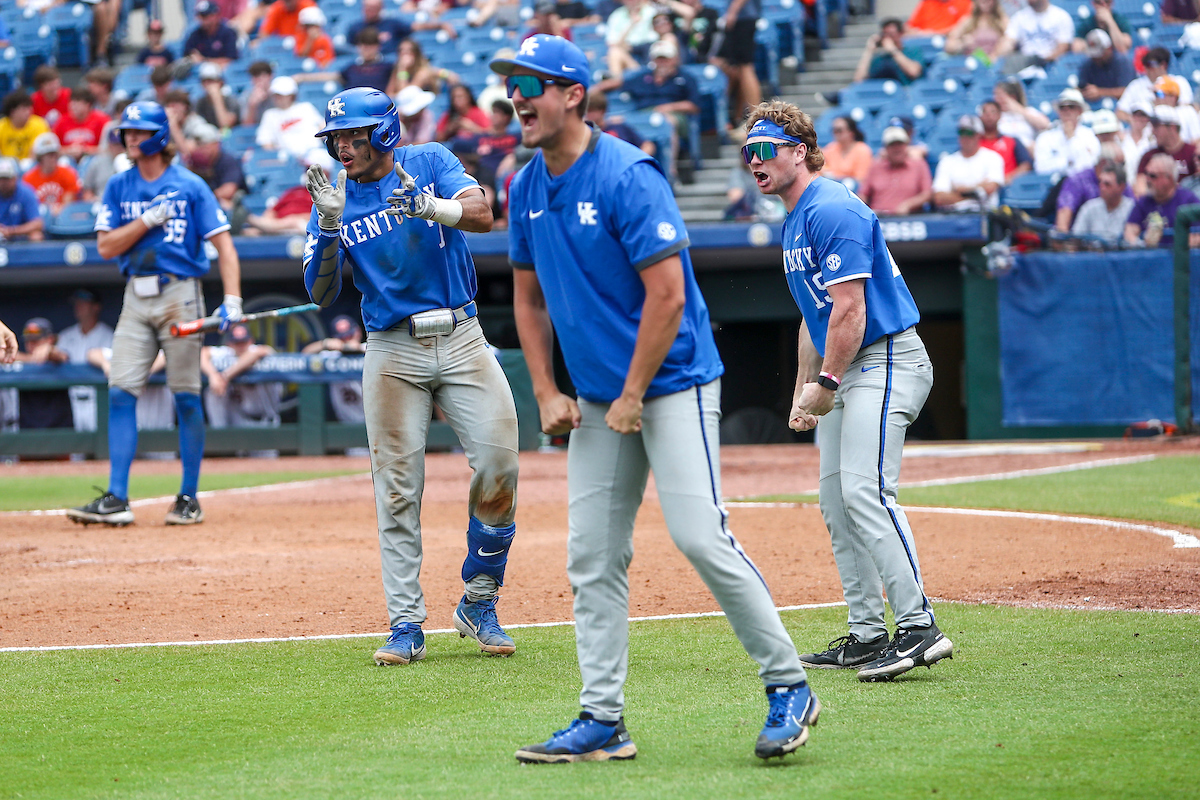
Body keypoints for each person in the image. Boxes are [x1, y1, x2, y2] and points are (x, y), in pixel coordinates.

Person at [495, 34, 817, 763]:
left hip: (670, 381)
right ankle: (601, 718)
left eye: (530, 84)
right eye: (511, 84)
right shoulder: (524, 186)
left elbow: (668, 297)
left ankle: (788, 682)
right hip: (604, 396)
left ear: (573, 95)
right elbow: (527, 296)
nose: (516, 96)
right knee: (592, 557)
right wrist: (544, 390)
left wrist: (634, 392)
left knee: (699, 533)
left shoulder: (627, 175)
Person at [301, 86, 520, 665]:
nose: (343, 147)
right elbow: (321, 293)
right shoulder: (334, 195)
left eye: (354, 135)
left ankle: (479, 598)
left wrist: (431, 206)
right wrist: (326, 228)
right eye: (336, 138)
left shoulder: (431, 161)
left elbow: (482, 214)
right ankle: (405, 623)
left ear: (385, 132)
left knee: (500, 465)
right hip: (392, 349)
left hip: (462, 333)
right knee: (398, 490)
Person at [742, 99, 952, 682]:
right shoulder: (795, 219)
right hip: (846, 366)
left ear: (800, 151)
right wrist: (805, 387)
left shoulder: (832, 205)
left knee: (867, 491)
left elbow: (851, 310)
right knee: (837, 502)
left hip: (884, 359)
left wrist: (825, 383)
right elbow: (817, 315)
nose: (753, 162)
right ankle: (866, 632)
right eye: (747, 153)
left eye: (764, 150)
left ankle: (918, 627)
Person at [66, 101, 243, 528]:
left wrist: (233, 299)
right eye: (127, 131)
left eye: (139, 131)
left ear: (160, 136)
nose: (130, 137)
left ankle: (188, 497)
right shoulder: (118, 185)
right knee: (122, 388)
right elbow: (107, 247)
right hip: (136, 296)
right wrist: (146, 220)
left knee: (185, 393)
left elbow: (225, 247)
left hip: (179, 293)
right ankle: (117, 498)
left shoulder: (190, 185)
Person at [201, 323, 283, 432]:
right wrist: (213, 375)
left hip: (265, 421)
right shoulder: (228, 353)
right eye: (237, 342)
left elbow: (259, 352)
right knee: (211, 392)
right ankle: (219, 434)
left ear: (251, 341)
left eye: (244, 342)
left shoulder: (258, 350)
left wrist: (225, 376)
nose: (241, 346)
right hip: (240, 419)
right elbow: (203, 352)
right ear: (229, 344)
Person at [57, 289, 115, 433]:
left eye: (83, 303)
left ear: (96, 307)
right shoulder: (66, 335)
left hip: (98, 400)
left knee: (101, 449)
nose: (78, 307)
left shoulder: (109, 335)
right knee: (77, 451)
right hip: (71, 401)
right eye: (77, 303)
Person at [300, 314, 366, 426]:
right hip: (345, 424)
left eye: (350, 336)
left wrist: (356, 349)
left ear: (358, 332)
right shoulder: (333, 356)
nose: (347, 340)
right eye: (343, 338)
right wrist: (324, 344)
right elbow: (303, 356)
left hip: (374, 423)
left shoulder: (369, 348)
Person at [1124, 152, 1200, 247]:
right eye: (1146, 173)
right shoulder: (1143, 201)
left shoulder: (1188, 200)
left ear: (1169, 178)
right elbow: (1130, 231)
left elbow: (1196, 237)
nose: (1147, 179)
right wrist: (1142, 244)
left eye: (1152, 176)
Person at [932, 114, 1005, 210]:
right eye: (962, 132)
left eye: (969, 133)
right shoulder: (947, 161)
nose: (965, 137)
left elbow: (990, 188)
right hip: (955, 215)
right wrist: (977, 190)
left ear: (979, 135)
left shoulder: (993, 158)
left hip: (985, 214)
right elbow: (939, 197)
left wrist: (957, 190)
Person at [15, 318, 74, 431]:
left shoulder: (58, 357)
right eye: (28, 341)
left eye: (36, 341)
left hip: (60, 432)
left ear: (50, 339)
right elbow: (9, 357)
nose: (31, 345)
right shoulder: (22, 361)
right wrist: (31, 360)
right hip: (29, 432)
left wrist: (50, 350)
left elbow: (61, 356)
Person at [859, 125, 933, 215]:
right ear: (886, 148)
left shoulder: (919, 165)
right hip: (879, 218)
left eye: (900, 144)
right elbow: (863, 194)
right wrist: (864, 210)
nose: (897, 148)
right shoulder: (875, 166)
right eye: (892, 145)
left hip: (909, 219)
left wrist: (908, 205)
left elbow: (927, 194)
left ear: (906, 145)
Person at [1055, 148, 1130, 231]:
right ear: (1103, 163)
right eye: (1120, 164)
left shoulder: (1120, 181)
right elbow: (1063, 220)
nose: (1122, 168)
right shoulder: (1078, 181)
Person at [713, 0, 762, 124]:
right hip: (742, 17)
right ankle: (743, 117)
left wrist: (732, 12)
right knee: (740, 68)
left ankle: (755, 115)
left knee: (746, 66)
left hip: (742, 18)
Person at [256, 76, 326, 162]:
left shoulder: (306, 107)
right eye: (276, 95)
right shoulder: (269, 115)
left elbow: (323, 127)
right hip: (287, 159)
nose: (278, 99)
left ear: (291, 95)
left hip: (314, 154)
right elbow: (266, 143)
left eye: (281, 95)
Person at [994, 0, 1074, 73]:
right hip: (1024, 63)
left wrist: (1043, 60)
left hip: (1051, 64)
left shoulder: (1061, 16)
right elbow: (1009, 40)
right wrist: (999, 53)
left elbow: (1063, 47)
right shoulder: (1019, 17)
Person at [1034, 89, 1100, 176]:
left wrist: (1072, 138)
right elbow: (1040, 167)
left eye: (1071, 107)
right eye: (1062, 108)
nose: (1067, 111)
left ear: (1080, 111)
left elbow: (1089, 165)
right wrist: (1067, 162)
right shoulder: (1046, 137)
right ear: (1058, 111)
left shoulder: (1089, 135)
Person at [1117, 48, 1194, 121]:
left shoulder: (1179, 82)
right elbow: (1120, 112)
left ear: (1163, 65)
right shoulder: (1135, 85)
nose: (1147, 68)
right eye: (1145, 65)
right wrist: (1140, 122)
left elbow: (1186, 107)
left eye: (1150, 64)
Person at [1135, 106, 1196, 196]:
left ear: (1172, 127)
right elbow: (1140, 188)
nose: (1153, 131)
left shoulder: (1193, 153)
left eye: (1156, 126)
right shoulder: (1149, 156)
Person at [1071, 160, 1133, 242]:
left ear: (1121, 187)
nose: (1102, 188)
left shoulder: (1132, 209)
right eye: (1100, 183)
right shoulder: (1089, 208)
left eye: (1107, 184)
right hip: (1092, 253)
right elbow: (1075, 239)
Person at [188, 125, 246, 211]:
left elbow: (228, 190)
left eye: (205, 144)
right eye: (199, 145)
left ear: (216, 144)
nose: (201, 148)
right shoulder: (196, 161)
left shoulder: (228, 160)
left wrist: (204, 197)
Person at [851, 18, 924, 85]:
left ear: (900, 34)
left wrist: (893, 51)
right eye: (885, 34)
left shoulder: (913, 51)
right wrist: (869, 50)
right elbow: (858, 80)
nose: (888, 38)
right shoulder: (879, 59)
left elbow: (914, 72)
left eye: (891, 34)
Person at [586, 91, 655, 157]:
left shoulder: (619, 127)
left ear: (602, 111)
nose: (587, 115)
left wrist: (634, 160)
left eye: (591, 111)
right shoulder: (587, 132)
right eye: (586, 111)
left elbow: (648, 145)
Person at [23, 133, 79, 215]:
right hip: (39, 217)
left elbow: (68, 203)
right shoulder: (29, 178)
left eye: (54, 155)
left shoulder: (68, 173)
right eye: (48, 155)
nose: (53, 158)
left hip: (62, 217)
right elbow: (28, 205)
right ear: (40, 157)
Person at [604, 0, 658, 82]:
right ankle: (618, 89)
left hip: (649, 50)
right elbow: (612, 43)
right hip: (629, 55)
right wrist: (631, 23)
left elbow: (656, 37)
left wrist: (630, 46)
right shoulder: (617, 15)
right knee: (614, 52)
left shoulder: (652, 11)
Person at [978, 99, 1033, 180]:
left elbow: (1026, 165)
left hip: (1009, 187)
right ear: (980, 116)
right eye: (985, 112)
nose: (989, 115)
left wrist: (1008, 179)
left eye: (993, 112)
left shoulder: (1012, 141)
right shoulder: (973, 143)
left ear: (1000, 115)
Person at [1078, 30, 1134, 103]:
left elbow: (1128, 91)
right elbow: (1081, 86)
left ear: (1109, 48)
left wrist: (1100, 92)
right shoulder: (1088, 63)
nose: (1096, 57)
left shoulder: (1122, 62)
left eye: (1100, 53)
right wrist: (1086, 92)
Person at [54, 88, 111, 161]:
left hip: (92, 159)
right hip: (69, 159)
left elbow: (108, 150)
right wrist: (69, 150)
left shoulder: (101, 120)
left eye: (77, 101)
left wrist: (85, 150)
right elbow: (54, 149)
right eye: (71, 101)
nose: (72, 105)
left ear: (87, 104)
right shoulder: (61, 121)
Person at [993, 79, 1050, 150]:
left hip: (1027, 151)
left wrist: (1019, 109)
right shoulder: (995, 115)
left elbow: (1045, 125)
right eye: (995, 94)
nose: (996, 99)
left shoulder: (1027, 111)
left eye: (999, 95)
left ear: (1012, 97)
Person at [389, 39, 458, 96]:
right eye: (401, 51)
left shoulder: (422, 72)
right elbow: (389, 94)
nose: (404, 55)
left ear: (416, 54)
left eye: (408, 51)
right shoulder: (398, 71)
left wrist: (403, 69)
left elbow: (406, 94)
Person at [0, 91, 52, 162]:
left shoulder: (39, 124)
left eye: (29, 108)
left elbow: (37, 151)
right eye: (24, 109)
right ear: (12, 112)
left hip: (31, 164)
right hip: (6, 166)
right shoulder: (2, 126)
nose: (28, 112)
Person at [0, 157, 44, 241]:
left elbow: (38, 223)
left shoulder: (25, 193)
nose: (3, 183)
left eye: (7, 179)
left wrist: (11, 231)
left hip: (19, 235)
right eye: (1, 179)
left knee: (36, 235)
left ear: (15, 178)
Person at [185, 1, 241, 65]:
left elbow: (231, 60)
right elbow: (187, 53)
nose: (202, 20)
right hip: (199, 69)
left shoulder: (227, 32)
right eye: (199, 16)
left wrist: (204, 60)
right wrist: (192, 55)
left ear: (215, 15)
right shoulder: (195, 34)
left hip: (221, 70)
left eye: (205, 16)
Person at [821, 116, 873, 185]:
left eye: (839, 130)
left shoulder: (862, 150)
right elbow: (821, 169)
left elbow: (861, 180)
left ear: (851, 132)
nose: (836, 133)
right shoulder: (831, 148)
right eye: (834, 130)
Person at [1151, 77, 1200, 145]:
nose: (1156, 97)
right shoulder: (1153, 113)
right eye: (1155, 94)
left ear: (1173, 97)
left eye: (1159, 94)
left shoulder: (1187, 112)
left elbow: (1197, 139)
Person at [346, 0, 412, 48]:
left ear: (381, 8)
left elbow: (412, 28)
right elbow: (350, 48)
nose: (370, 11)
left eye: (374, 8)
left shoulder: (393, 24)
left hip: (388, 61)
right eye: (367, 7)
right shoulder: (355, 28)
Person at [906, 0, 972, 36]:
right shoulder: (926, 2)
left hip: (948, 39)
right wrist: (919, 33)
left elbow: (964, 26)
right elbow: (910, 26)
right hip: (923, 39)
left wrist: (935, 33)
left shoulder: (964, 2)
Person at [241, 62, 276, 128]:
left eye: (262, 75)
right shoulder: (246, 96)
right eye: (255, 76)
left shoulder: (278, 93)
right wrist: (252, 105)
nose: (259, 79)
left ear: (270, 76)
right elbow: (247, 127)